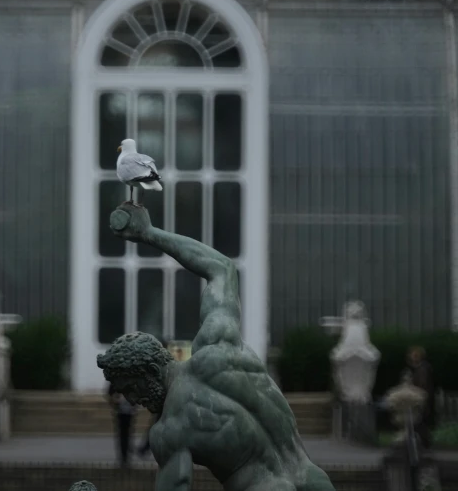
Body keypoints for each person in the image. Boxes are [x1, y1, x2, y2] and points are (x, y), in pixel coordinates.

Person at [97, 204, 334, 491]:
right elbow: (222, 269)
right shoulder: (219, 344)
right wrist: (149, 233)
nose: (134, 401)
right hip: (313, 481)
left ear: (149, 370)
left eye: (131, 388)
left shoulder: (169, 429)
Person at [407, 346, 436, 449]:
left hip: (422, 399)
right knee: (419, 423)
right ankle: (424, 444)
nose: (412, 357)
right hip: (423, 398)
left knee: (419, 422)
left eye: (414, 355)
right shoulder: (421, 368)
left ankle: (425, 444)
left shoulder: (422, 369)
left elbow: (423, 385)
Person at [107, 382, 136, 467]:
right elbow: (110, 393)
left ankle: (126, 456)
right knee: (123, 435)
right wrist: (115, 400)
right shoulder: (116, 381)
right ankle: (123, 457)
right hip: (120, 411)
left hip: (129, 411)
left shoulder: (130, 381)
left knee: (126, 435)